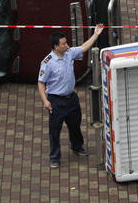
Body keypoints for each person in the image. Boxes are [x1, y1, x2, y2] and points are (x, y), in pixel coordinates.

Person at [37, 24, 104, 168]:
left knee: (75, 124)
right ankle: (54, 157)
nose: (67, 45)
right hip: (56, 101)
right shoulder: (47, 62)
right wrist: (45, 101)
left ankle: (77, 146)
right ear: (56, 46)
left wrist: (96, 34)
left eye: (66, 42)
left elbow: (84, 47)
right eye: (63, 44)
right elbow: (41, 83)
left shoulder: (69, 53)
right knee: (55, 130)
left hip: (71, 98)